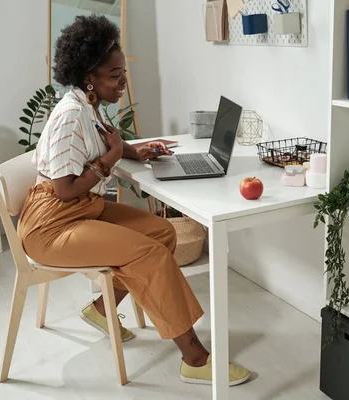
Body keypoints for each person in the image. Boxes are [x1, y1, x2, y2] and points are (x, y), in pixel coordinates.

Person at [17, 14, 250, 386]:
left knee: (162, 233)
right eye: (115, 75)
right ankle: (195, 357)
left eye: (122, 71)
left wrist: (133, 151)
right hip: (52, 224)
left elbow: (103, 142)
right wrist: (111, 159)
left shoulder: (87, 106)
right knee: (150, 254)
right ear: (88, 76)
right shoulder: (70, 115)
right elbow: (64, 188)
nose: (123, 80)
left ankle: (99, 311)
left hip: (80, 210)